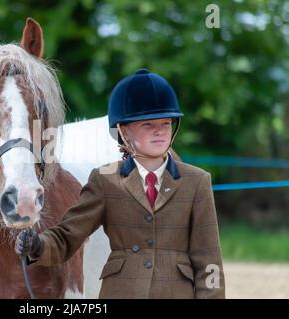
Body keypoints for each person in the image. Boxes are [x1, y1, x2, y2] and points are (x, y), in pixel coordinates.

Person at [15, 68, 225, 298]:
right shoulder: (105, 180)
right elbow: (68, 236)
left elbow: (209, 260)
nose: (159, 132)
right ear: (124, 132)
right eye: (147, 125)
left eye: (165, 123)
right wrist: (38, 246)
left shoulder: (197, 182)